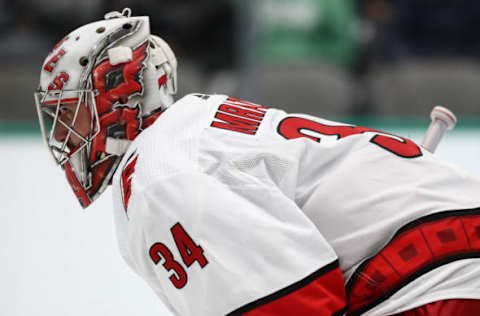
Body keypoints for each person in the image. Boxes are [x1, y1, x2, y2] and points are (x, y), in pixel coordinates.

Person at [34, 9, 480, 316]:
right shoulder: (194, 128)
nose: (62, 135)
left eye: (70, 112)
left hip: (437, 277)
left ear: (121, 95)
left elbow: (296, 303)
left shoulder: (161, 174)